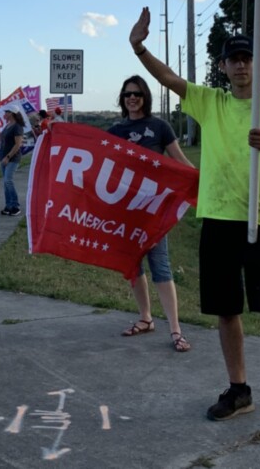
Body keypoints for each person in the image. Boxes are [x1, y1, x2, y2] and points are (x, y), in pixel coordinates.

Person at [129, 6, 260, 444]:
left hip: (256, 221)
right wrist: (138, 47)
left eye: (248, 58)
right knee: (227, 312)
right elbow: (169, 79)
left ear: (255, 65)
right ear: (224, 67)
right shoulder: (212, 103)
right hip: (218, 222)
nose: (242, 65)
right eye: (234, 59)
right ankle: (239, 389)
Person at [110, 75, 195, 353]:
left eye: (137, 93)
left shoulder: (160, 127)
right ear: (122, 99)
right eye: (127, 94)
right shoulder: (116, 130)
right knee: (133, 266)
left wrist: (202, 180)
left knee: (161, 265)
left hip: (154, 211)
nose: (132, 98)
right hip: (125, 211)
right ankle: (146, 318)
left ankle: (175, 330)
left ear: (145, 96)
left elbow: (180, 162)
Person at [0, 109, 25, 216]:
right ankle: (8, 206)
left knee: (8, 180)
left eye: (6, 112)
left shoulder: (17, 127)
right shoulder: (8, 125)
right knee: (5, 182)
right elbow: (2, 139)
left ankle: (15, 206)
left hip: (12, 158)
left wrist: (8, 156)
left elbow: (17, 144)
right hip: (3, 157)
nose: (4, 114)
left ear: (12, 113)